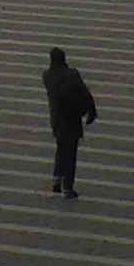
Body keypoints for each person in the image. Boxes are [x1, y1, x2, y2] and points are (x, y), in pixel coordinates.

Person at [43, 48, 98, 198]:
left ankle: (56, 179)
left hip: (57, 120)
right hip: (72, 119)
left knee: (61, 148)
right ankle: (68, 186)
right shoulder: (72, 74)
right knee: (71, 152)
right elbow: (85, 93)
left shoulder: (47, 76)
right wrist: (91, 111)